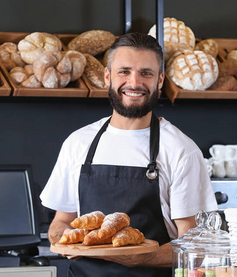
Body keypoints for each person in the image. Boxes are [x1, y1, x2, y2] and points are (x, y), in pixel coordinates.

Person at [40, 32, 218, 277]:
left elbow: (195, 245)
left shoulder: (181, 150)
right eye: (124, 71)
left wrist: (142, 257)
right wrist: (64, 240)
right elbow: (61, 221)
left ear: (159, 80)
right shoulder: (78, 143)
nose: (135, 83)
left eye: (146, 73)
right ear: (107, 76)